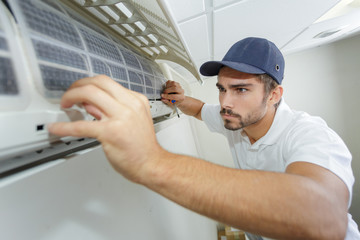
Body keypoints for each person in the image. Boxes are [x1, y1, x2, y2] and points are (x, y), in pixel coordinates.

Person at [48, 37, 360, 239]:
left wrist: (151, 160)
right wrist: (178, 99)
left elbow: (323, 218)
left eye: (241, 90)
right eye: (222, 88)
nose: (226, 102)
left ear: (274, 94)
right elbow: (200, 110)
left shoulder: (310, 134)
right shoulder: (233, 119)